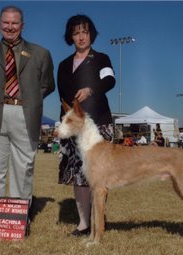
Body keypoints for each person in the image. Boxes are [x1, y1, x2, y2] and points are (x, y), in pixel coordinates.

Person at [0, 6, 55, 227]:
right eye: (6, 22)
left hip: (25, 115)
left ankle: (17, 218)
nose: (10, 27)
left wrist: (28, 100)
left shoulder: (41, 53)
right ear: (0, 24)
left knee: (23, 171)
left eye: (14, 23)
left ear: (22, 25)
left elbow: (47, 86)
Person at [57, 14, 115, 236]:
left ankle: (98, 220)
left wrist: (91, 89)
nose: (81, 37)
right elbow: (62, 96)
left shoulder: (101, 58)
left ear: (91, 34)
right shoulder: (63, 65)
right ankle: (83, 222)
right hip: (74, 125)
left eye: (85, 32)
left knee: (98, 176)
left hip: (98, 123)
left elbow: (110, 80)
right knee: (77, 174)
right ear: (70, 37)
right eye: (76, 33)